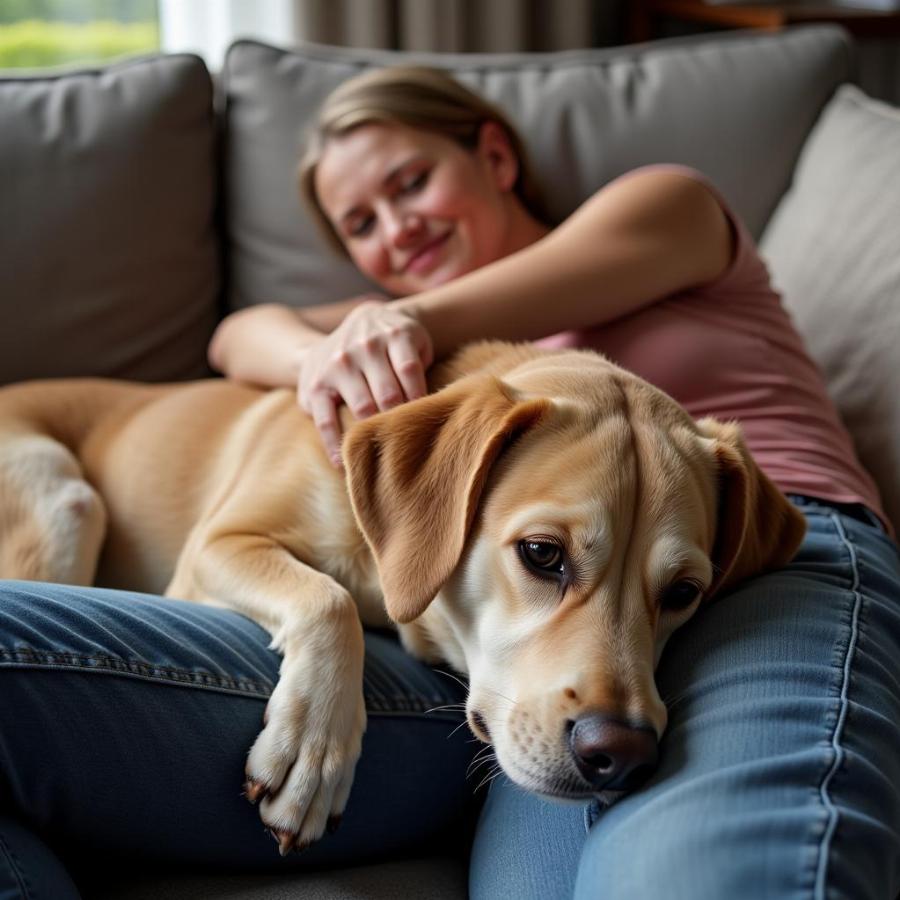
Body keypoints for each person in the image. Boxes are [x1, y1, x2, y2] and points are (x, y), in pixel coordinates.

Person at [0, 66, 897, 900]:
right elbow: (241, 334)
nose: (397, 229)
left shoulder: (662, 206)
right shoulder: (431, 412)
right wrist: (328, 357)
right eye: (362, 227)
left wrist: (390, 325)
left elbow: (430, 327)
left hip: (764, 557)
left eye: (409, 183)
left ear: (494, 155)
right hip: (529, 651)